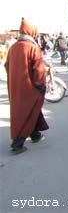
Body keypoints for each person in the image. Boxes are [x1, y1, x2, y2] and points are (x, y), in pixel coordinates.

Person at [4, 19, 49, 154]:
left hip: (16, 86)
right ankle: (17, 143)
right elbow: (38, 69)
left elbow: (7, 66)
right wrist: (40, 84)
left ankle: (35, 134)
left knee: (27, 110)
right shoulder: (32, 47)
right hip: (30, 87)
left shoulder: (13, 47)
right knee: (27, 112)